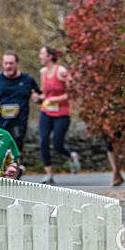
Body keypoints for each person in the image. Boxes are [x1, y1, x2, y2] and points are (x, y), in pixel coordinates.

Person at [33, 45, 79, 184]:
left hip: (62, 113)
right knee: (43, 141)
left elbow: (70, 94)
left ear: (49, 56)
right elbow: (45, 94)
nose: (40, 56)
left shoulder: (61, 71)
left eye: (42, 54)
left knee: (58, 144)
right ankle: (49, 174)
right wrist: (38, 98)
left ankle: (71, 156)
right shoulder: (43, 72)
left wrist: (54, 99)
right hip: (46, 111)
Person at [0, 51, 41, 158]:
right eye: (6, 63)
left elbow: (39, 96)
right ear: (2, 64)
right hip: (0, 121)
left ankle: (15, 169)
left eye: (11, 63)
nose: (8, 66)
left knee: (15, 146)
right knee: (0, 147)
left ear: (17, 64)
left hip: (19, 121)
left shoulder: (27, 80)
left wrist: (37, 98)